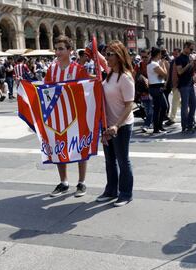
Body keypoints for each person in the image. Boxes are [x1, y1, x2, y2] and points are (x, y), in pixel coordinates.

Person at [42, 35, 90, 198]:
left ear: (70, 50)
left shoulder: (78, 69)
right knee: (58, 148)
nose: (57, 51)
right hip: (57, 115)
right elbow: (46, 90)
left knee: (79, 147)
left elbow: (86, 91)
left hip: (76, 114)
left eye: (61, 48)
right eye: (56, 48)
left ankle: (81, 182)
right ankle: (63, 182)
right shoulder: (52, 69)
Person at [96, 40, 135, 207]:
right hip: (108, 124)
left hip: (121, 125)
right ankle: (111, 190)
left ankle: (125, 193)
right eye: (106, 54)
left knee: (122, 159)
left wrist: (116, 126)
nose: (107, 57)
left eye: (110, 54)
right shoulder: (110, 74)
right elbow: (101, 62)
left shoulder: (125, 78)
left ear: (118, 56)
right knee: (109, 160)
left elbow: (129, 105)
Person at [176, 41, 196, 133]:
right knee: (185, 106)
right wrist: (190, 64)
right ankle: (184, 125)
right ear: (185, 47)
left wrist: (195, 77)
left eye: (193, 49)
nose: (191, 51)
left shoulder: (189, 57)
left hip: (190, 84)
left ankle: (190, 123)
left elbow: (192, 70)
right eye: (191, 49)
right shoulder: (179, 58)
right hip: (183, 85)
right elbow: (180, 72)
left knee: (194, 104)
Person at [147, 47, 168, 134]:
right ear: (158, 54)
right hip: (156, 88)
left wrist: (161, 74)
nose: (161, 56)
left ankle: (159, 126)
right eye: (160, 54)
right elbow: (165, 74)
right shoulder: (154, 64)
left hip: (157, 87)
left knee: (163, 106)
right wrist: (162, 63)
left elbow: (161, 76)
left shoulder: (154, 64)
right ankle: (156, 127)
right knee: (158, 108)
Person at [165, 48, 181, 126]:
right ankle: (188, 114)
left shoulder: (180, 62)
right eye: (173, 54)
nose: (174, 55)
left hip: (178, 85)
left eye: (176, 54)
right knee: (178, 102)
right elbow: (169, 74)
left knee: (174, 101)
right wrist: (168, 83)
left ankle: (172, 118)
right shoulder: (172, 62)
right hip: (173, 84)